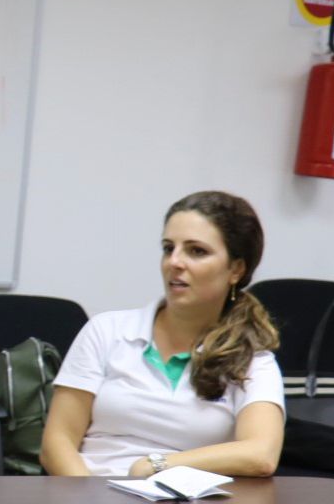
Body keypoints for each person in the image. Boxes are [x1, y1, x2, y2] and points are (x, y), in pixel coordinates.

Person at [40, 190, 284, 479]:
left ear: (236, 269)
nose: (174, 262)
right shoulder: (107, 331)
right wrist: (88, 496)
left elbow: (261, 455)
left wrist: (156, 464)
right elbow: (57, 443)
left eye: (196, 251)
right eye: (169, 248)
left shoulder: (252, 359)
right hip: (90, 490)